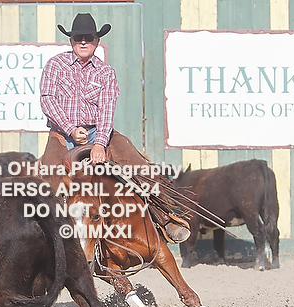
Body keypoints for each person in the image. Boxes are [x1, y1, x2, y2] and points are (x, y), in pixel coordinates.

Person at [39, 12, 190, 243]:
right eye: (78, 37)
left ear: (97, 41)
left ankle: (166, 217)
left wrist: (100, 143)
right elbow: (47, 100)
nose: (83, 42)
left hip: (98, 130)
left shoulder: (105, 72)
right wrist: (70, 129)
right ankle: (49, 238)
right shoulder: (55, 65)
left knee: (138, 165)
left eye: (88, 38)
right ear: (71, 41)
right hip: (61, 133)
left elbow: (107, 109)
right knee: (50, 178)